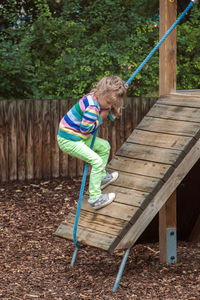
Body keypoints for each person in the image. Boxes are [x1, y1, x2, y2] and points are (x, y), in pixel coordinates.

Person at [57, 76, 127, 210]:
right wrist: (100, 119)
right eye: (108, 102)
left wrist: (113, 108)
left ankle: (101, 178)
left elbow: (110, 116)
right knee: (97, 161)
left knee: (104, 146)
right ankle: (95, 198)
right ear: (101, 92)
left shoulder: (98, 98)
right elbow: (86, 130)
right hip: (69, 139)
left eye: (112, 103)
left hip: (77, 136)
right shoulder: (92, 107)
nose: (109, 105)